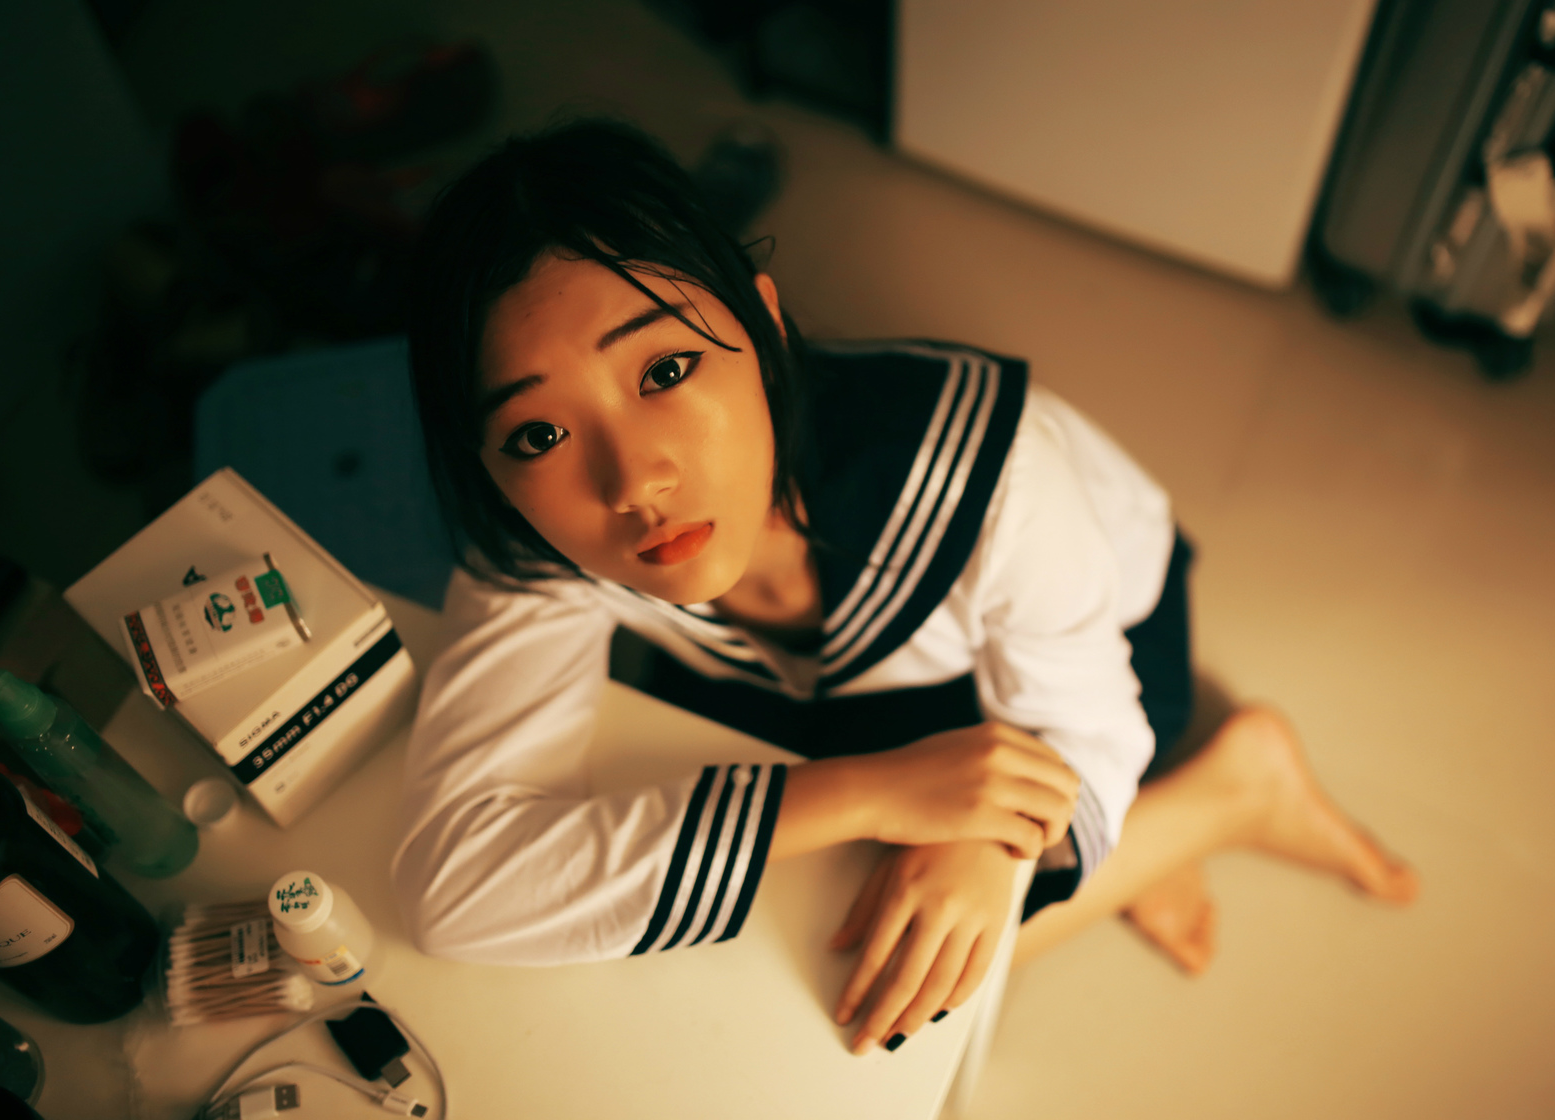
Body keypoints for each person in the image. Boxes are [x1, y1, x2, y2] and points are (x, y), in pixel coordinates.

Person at [392, 119, 1418, 1058]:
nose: (633, 484)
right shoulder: (530, 540)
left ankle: (1233, 787)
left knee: (880, 974)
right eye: (539, 433)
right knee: (824, 909)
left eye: (664, 372)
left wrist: (988, 839)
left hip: (1110, 634)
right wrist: (872, 791)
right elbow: (458, 887)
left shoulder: (998, 477)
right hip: (824, 693)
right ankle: (1161, 838)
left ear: (763, 324)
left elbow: (1090, 730)